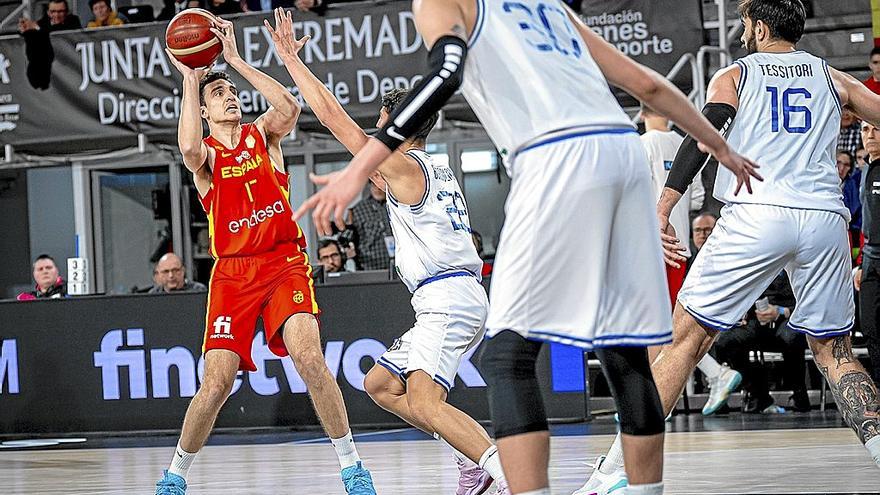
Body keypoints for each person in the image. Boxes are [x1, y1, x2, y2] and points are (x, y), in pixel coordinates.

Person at [293, 0, 761, 493]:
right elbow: (644, 83)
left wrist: (360, 164)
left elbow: (443, 75)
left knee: (508, 359)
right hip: (621, 153)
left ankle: (502, 474)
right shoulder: (551, 8)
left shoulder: (441, 10)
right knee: (624, 352)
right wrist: (719, 145)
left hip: (553, 161)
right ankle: (640, 488)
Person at [584, 1, 880, 492]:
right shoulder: (833, 78)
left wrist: (663, 206)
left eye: (745, 23)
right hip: (825, 220)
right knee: (836, 352)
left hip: (757, 212)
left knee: (686, 338)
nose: (743, 31)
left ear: (759, 27)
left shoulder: (737, 74)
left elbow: (705, 134)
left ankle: (616, 471)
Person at [266, 11, 509, 493]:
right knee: (379, 383)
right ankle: (470, 461)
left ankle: (507, 476)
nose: (376, 138)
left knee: (423, 400)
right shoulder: (428, 166)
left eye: (382, 127)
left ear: (399, 128)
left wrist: (292, 62)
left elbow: (335, 119)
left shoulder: (402, 166)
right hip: (447, 294)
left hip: (448, 297)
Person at [155, 14, 376, 495]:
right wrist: (192, 81)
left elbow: (289, 106)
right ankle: (174, 476)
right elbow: (188, 145)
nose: (230, 97)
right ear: (207, 110)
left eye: (231, 92)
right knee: (215, 385)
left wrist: (234, 60)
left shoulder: (263, 136)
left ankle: (352, 468)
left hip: (283, 263)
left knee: (311, 360)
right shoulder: (208, 158)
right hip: (233, 274)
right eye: (220, 95)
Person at [640, 104, 742, 417]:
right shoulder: (680, 143)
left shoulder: (643, 146)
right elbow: (696, 197)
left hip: (652, 244)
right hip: (680, 245)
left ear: (641, 114)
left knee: (654, 328)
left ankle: (656, 401)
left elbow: (635, 195)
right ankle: (668, 394)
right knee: (669, 325)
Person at [712, 272, 810, 413]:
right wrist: (742, 311)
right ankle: (757, 394)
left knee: (790, 337)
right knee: (727, 340)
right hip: (756, 315)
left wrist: (782, 311)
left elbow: (811, 300)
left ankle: (799, 395)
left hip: (790, 315)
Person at [855, 121, 880, 385]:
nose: (869, 135)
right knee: (871, 329)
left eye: (876, 128)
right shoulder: (865, 170)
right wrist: (861, 263)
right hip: (871, 259)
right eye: (865, 129)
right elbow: (867, 222)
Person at [18, 0, 81, 90]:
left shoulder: (73, 20)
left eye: (60, 11)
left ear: (67, 12)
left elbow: (59, 32)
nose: (56, 15)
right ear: (48, 12)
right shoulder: (42, 22)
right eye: (53, 12)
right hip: (47, 70)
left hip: (69, 66)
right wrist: (24, 29)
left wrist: (37, 28)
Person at [349, 180, 393, 271]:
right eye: (374, 184)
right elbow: (351, 239)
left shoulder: (397, 204)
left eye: (380, 184)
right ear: (369, 185)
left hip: (398, 263)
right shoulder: (359, 209)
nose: (377, 188)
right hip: (370, 266)